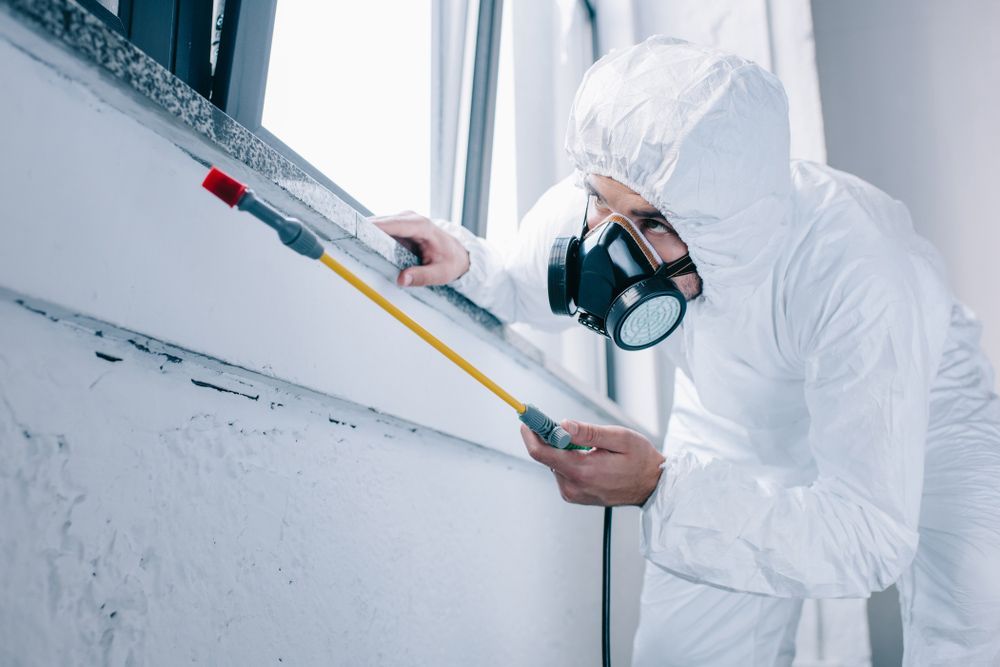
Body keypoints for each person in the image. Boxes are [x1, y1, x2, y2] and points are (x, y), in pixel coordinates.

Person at [373, 37, 1000, 665]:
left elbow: (869, 537)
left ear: (720, 229)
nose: (608, 244)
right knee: (684, 654)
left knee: (974, 624)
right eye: (600, 202)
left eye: (651, 224)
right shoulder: (611, 185)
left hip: (920, 413)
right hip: (736, 417)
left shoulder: (859, 273)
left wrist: (658, 486)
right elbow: (518, 279)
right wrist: (463, 263)